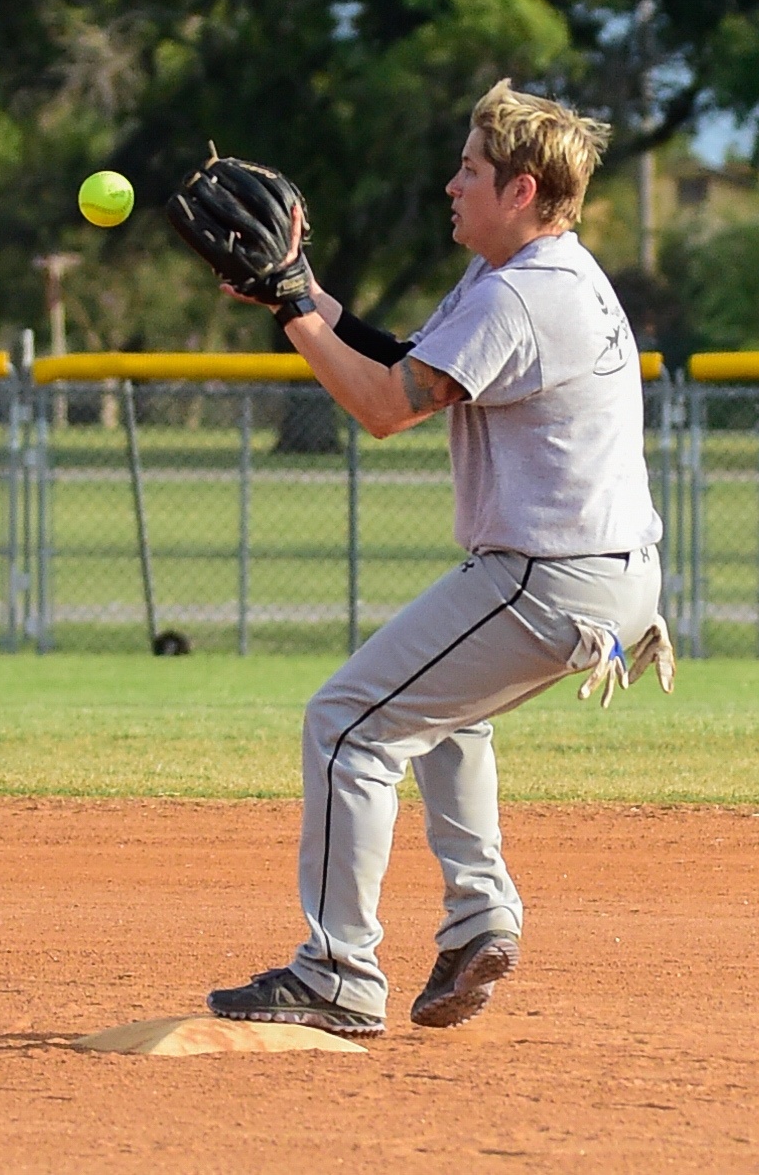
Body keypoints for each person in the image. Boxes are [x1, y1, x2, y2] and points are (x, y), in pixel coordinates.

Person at [206, 79, 669, 1037]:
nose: (451, 185)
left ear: (522, 189)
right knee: (441, 719)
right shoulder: (535, 276)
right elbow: (402, 359)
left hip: (551, 575)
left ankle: (336, 970)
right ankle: (479, 914)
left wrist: (292, 308)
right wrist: (295, 289)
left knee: (347, 724)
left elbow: (383, 408)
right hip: (595, 576)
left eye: (471, 170)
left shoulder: (526, 296)